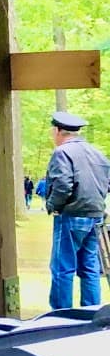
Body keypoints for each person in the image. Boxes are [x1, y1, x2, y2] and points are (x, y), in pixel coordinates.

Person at [44, 111, 108, 309]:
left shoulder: (62, 153)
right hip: (95, 215)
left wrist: (53, 205)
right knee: (90, 268)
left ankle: (61, 314)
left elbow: (63, 184)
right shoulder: (97, 153)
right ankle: (91, 312)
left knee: (62, 268)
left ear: (58, 131)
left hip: (71, 215)